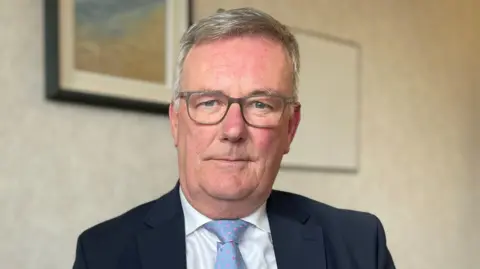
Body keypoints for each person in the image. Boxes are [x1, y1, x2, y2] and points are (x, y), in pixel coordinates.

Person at [72, 7, 396, 269]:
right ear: (175, 121)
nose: (233, 130)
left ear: (291, 128)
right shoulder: (102, 254)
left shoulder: (360, 245)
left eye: (260, 104)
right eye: (210, 102)